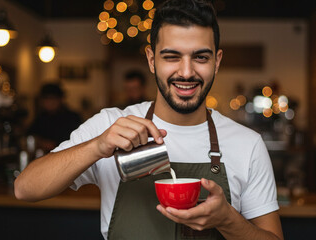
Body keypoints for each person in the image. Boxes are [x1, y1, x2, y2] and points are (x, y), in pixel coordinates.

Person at [15, 0, 283, 239]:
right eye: (171, 57)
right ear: (152, 60)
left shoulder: (248, 144)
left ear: (217, 61)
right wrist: (96, 146)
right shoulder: (110, 124)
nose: (187, 72)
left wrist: (228, 220)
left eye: (200, 57)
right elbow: (25, 189)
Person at [27, 83, 82, 152]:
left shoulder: (72, 117)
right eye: (46, 99)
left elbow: (75, 142)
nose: (49, 102)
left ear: (60, 99)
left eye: (52, 99)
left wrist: (52, 144)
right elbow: (30, 135)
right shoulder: (41, 117)